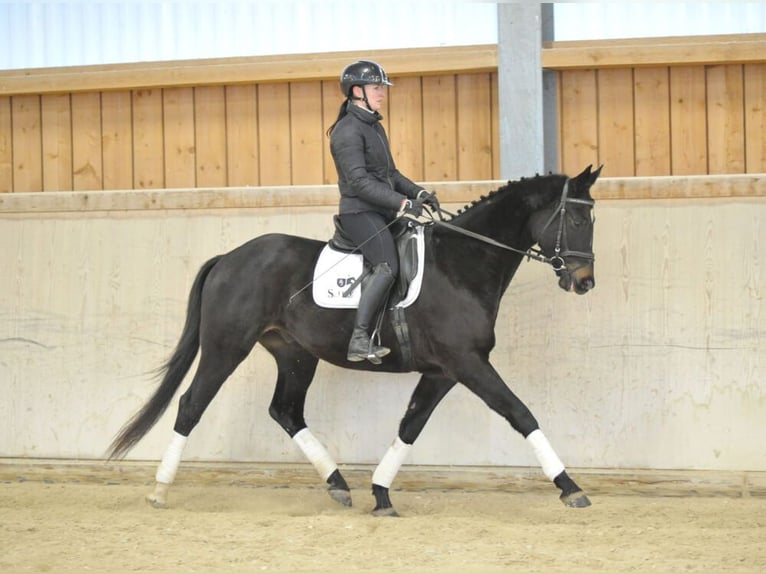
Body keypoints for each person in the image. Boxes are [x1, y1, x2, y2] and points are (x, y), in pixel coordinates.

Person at [327, 60, 437, 363]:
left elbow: (391, 173)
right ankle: (359, 338)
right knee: (387, 264)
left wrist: (419, 193)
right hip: (359, 213)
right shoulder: (347, 131)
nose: (382, 93)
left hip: (381, 211)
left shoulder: (373, 126)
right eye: (377, 88)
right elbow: (359, 182)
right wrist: (402, 203)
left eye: (382, 88)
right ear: (357, 91)